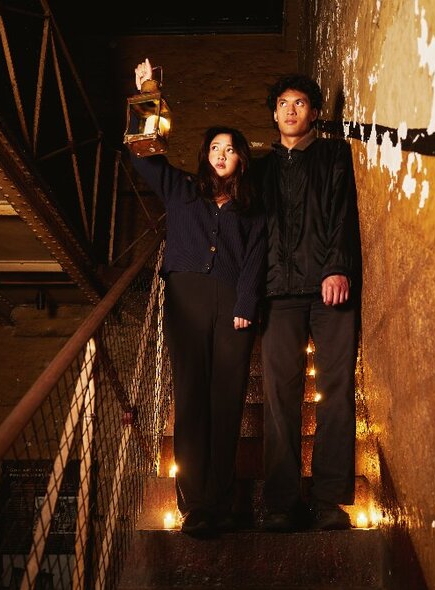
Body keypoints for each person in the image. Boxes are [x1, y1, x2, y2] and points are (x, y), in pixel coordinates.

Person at [129, 59, 266, 537]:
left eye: (229, 149)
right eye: (214, 148)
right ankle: (194, 506)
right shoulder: (182, 189)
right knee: (190, 398)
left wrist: (246, 305)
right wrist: (148, 95)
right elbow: (142, 157)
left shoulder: (251, 208)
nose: (221, 154)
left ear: (240, 158)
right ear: (205, 155)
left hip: (232, 305)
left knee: (226, 401)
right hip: (185, 300)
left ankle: (220, 502)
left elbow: (255, 257)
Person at [253, 73, 362, 531]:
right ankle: (281, 503)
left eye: (300, 102)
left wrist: (337, 266)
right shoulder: (259, 169)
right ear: (274, 113)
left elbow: (343, 214)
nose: (291, 110)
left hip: (328, 288)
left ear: (314, 112)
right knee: (280, 395)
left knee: (336, 389)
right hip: (277, 293)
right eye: (283, 103)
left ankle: (328, 500)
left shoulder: (334, 155)